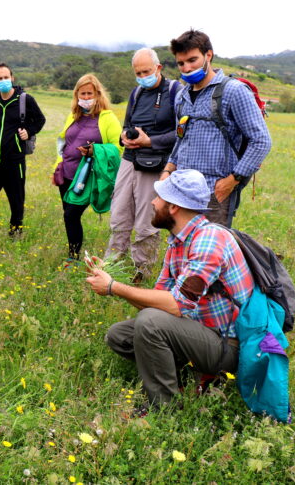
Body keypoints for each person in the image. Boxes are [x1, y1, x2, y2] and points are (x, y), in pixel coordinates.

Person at [86, 169, 254, 413]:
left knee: (150, 323)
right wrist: (111, 278)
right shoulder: (178, 242)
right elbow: (159, 303)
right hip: (197, 331)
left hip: (227, 346)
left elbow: (175, 306)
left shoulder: (209, 240)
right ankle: (186, 376)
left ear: (173, 207)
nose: (153, 203)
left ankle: (163, 407)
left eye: (159, 198)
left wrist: (113, 287)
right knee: (120, 335)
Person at [163, 29, 271, 227]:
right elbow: (181, 139)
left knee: (210, 251)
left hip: (215, 191)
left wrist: (233, 180)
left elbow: (261, 140)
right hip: (182, 189)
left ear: (208, 55)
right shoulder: (181, 96)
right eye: (181, 63)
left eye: (192, 60)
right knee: (181, 246)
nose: (186, 68)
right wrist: (169, 169)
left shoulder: (233, 91)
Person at [106, 48, 180, 281]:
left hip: (155, 163)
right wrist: (123, 138)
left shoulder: (175, 91)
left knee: (147, 219)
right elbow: (127, 124)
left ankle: (142, 269)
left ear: (158, 68)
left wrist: (151, 141)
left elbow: (181, 132)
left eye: (146, 71)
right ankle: (112, 263)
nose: (142, 76)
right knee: (119, 213)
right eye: (138, 72)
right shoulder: (136, 93)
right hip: (129, 159)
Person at [51, 73, 121, 261]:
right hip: (66, 174)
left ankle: (73, 257)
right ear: (77, 95)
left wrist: (95, 150)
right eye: (82, 94)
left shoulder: (107, 118)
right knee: (68, 215)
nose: (86, 98)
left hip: (87, 176)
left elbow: (117, 147)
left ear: (98, 94)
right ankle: (73, 250)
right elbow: (63, 141)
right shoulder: (74, 116)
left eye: (90, 94)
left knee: (71, 215)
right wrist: (57, 166)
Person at [0, 63, 46, 237]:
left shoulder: (25, 99)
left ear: (12, 78)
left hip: (15, 160)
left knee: (16, 198)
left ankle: (15, 231)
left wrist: (28, 131)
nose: (3, 81)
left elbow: (40, 119)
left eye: (6, 77)